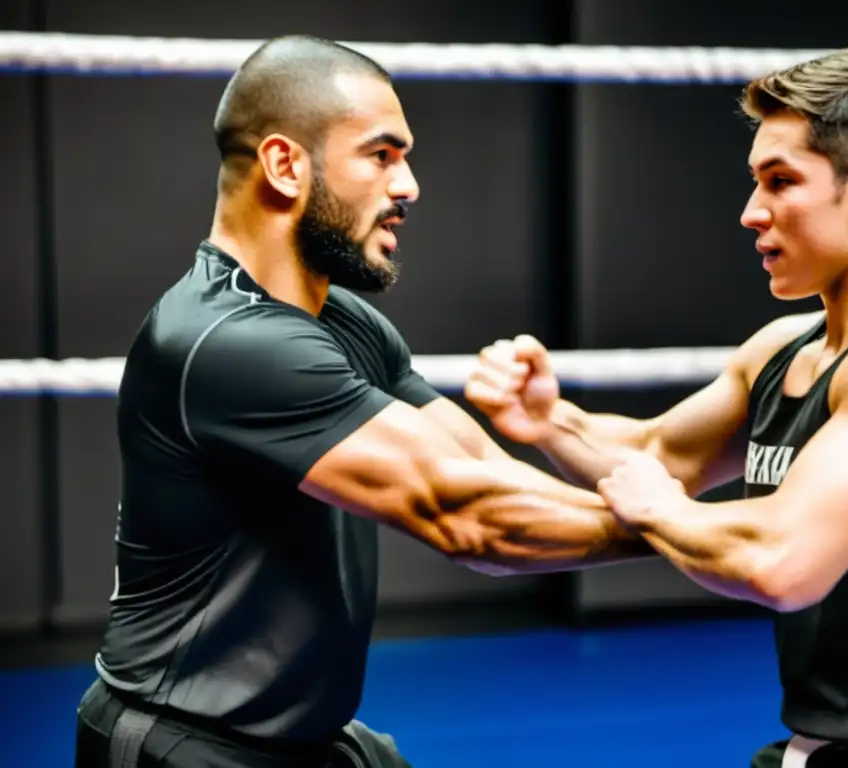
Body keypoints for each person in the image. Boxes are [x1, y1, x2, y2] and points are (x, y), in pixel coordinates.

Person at [73, 34, 656, 768]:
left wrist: (689, 525)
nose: (408, 184)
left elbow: (480, 468)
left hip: (304, 738)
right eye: (382, 155)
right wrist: (704, 539)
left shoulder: (340, 320)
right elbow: (469, 517)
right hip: (186, 742)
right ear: (286, 165)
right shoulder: (230, 341)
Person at [466, 48, 848, 766]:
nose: (751, 212)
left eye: (780, 181)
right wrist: (552, 420)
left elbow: (783, 563)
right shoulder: (784, 349)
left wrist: (660, 509)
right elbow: (660, 457)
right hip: (828, 744)